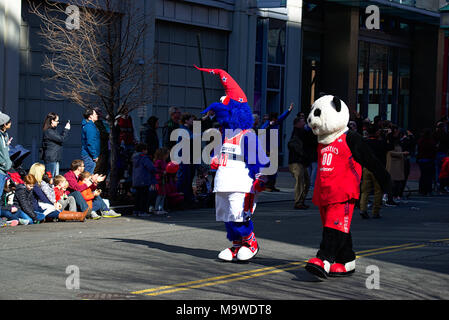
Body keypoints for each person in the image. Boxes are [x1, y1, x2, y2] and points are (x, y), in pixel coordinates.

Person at [261, 103, 294, 192]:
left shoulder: (276, 122)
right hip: (267, 150)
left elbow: (282, 117)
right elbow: (261, 132)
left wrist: (289, 110)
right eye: (275, 119)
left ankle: (272, 185)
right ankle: (266, 185)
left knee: (275, 168)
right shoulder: (267, 125)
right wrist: (269, 126)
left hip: (274, 149)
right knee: (268, 168)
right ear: (272, 119)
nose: (276, 120)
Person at [288, 117, 311, 210]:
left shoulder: (302, 132)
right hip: (296, 162)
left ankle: (301, 200)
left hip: (301, 161)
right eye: (302, 121)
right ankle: (298, 202)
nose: (304, 123)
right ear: (297, 123)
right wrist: (303, 155)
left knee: (306, 182)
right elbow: (295, 147)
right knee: (300, 182)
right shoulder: (296, 133)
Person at [41, 112, 70, 177]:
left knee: (54, 178)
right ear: (52, 121)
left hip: (54, 158)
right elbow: (61, 139)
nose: (58, 122)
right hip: (51, 158)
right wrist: (66, 129)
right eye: (57, 121)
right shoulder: (49, 131)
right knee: (50, 178)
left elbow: (60, 139)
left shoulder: (52, 130)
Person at [131, 143, 157, 216]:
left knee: (137, 196)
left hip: (136, 180)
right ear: (143, 150)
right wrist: (155, 170)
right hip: (144, 179)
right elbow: (151, 167)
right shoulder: (144, 157)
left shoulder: (134, 157)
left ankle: (136, 211)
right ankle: (142, 211)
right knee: (144, 196)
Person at [416, 128, 437, 196]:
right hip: (429, 159)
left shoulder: (420, 141)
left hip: (421, 159)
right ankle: (428, 190)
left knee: (423, 175)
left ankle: (422, 190)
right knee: (428, 176)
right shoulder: (431, 141)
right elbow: (434, 150)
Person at [81, 108, 101, 174]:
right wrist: (94, 155)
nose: (97, 115)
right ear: (90, 116)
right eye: (95, 114)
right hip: (89, 155)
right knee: (88, 175)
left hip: (89, 154)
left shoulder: (91, 125)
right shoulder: (90, 127)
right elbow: (90, 142)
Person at [0, 111, 13, 200]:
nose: (11, 123)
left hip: (4, 169)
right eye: (9, 121)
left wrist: (7, 144)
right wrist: (4, 163)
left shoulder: (5, 135)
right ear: (4, 124)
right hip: (1, 168)